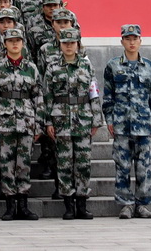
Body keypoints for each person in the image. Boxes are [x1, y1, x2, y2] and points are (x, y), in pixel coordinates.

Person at [102, 23, 151, 220]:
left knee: (144, 167)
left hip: (143, 124)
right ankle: (126, 205)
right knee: (122, 166)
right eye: (128, 39)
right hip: (121, 124)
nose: (132, 42)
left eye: (135, 38)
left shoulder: (149, 66)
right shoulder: (113, 66)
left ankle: (142, 205)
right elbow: (108, 96)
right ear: (122, 42)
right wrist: (109, 119)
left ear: (140, 41)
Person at [0, 27, 43, 221]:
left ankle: (23, 205)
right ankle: (10, 205)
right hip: (4, 122)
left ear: (23, 43)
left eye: (18, 40)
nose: (15, 44)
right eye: (11, 41)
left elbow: (38, 97)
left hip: (26, 121)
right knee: (6, 164)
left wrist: (38, 124)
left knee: (24, 164)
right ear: (5, 44)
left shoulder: (31, 68)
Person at [44, 27, 100, 220]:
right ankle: (68, 205)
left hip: (83, 119)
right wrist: (48, 121)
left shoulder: (86, 65)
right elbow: (47, 96)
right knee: (64, 163)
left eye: (72, 43)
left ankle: (82, 204)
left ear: (77, 44)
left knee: (83, 163)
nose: (68, 46)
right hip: (61, 120)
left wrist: (96, 119)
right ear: (60, 44)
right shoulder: (52, 67)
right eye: (65, 43)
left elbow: (94, 93)